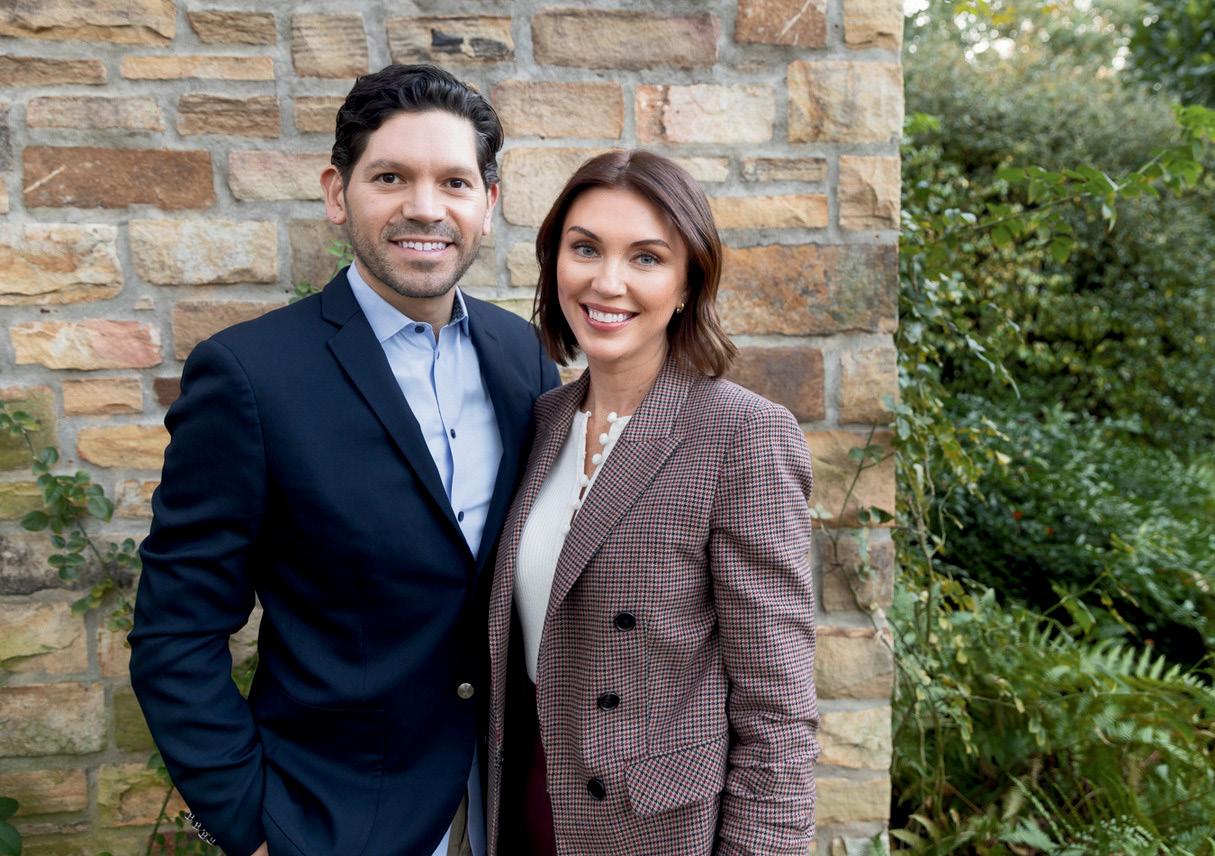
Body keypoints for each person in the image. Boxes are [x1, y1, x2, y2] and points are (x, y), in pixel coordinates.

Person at [128, 64, 559, 856]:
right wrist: (249, 828)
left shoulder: (523, 358)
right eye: (391, 177)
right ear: (338, 193)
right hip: (334, 822)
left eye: (454, 182)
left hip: (507, 811)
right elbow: (175, 634)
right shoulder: (250, 377)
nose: (424, 207)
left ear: (488, 203)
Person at [486, 150, 819, 855]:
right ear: (554, 262)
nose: (607, 282)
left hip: (654, 829)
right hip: (526, 803)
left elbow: (779, 709)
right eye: (585, 249)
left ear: (688, 281)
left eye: (646, 257)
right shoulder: (543, 421)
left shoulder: (742, 435)